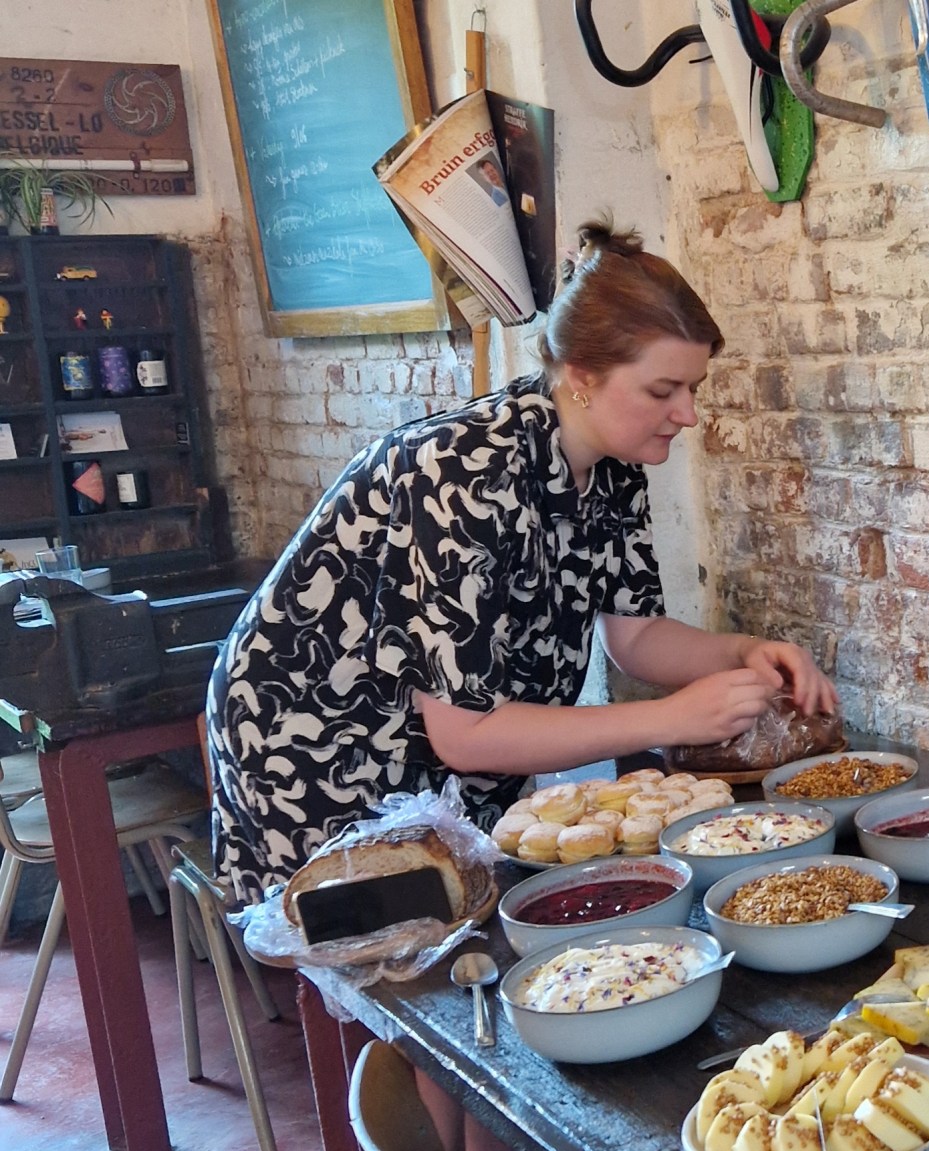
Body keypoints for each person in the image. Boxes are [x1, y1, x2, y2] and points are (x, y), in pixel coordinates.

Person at [205, 218, 836, 907]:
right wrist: (673, 719)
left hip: (439, 748)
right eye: (663, 391)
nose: (686, 414)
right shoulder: (458, 473)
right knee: (381, 942)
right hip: (317, 742)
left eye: (694, 388)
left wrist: (743, 654)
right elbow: (468, 735)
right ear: (581, 375)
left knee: (463, 914)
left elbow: (635, 637)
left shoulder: (615, 463)